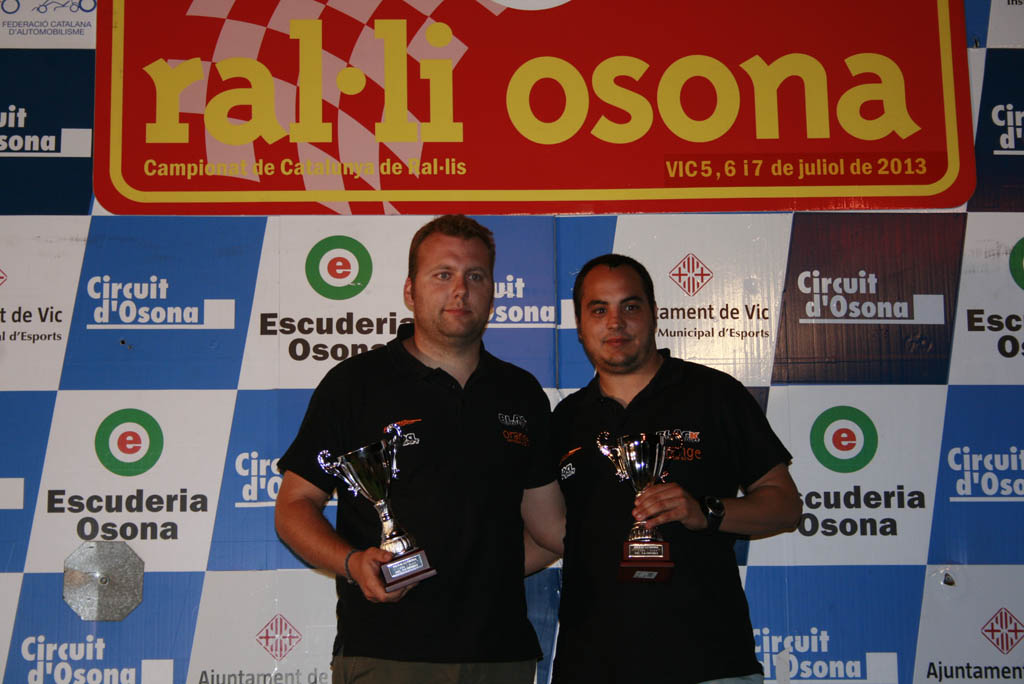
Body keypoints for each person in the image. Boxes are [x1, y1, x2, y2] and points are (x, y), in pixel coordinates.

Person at [274, 215, 565, 684]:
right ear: (410, 291)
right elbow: (293, 506)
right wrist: (352, 564)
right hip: (387, 654)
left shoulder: (521, 393)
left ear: (493, 292)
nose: (460, 290)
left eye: (476, 276)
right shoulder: (355, 385)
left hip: (500, 655)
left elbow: (550, 529)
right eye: (442, 274)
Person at [548, 253, 802, 684]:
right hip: (590, 666)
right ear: (580, 325)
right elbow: (552, 533)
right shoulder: (565, 420)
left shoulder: (714, 395)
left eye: (630, 306)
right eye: (599, 310)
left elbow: (786, 506)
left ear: (654, 314)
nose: (615, 322)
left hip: (709, 663)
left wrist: (706, 511)